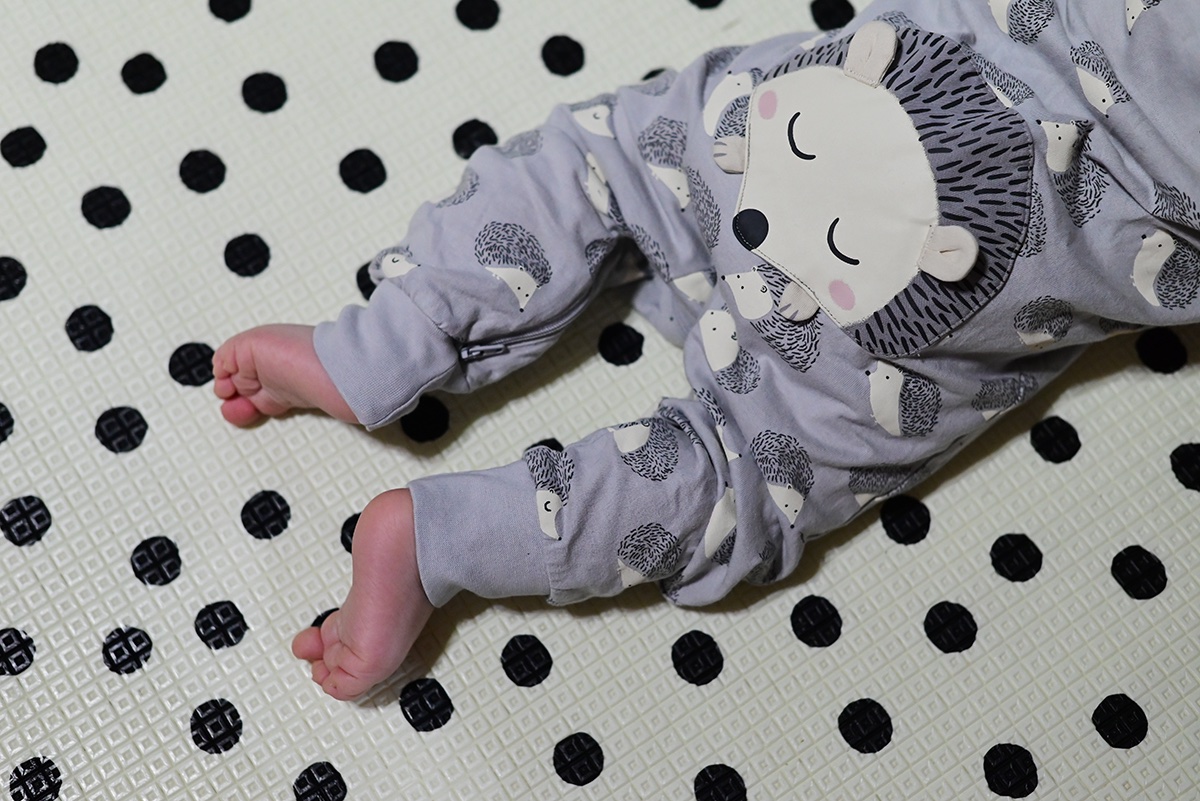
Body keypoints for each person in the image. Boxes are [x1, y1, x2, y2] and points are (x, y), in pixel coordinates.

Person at [212, 0, 1200, 700]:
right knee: (747, 474)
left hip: (834, 92)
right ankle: (451, 538)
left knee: (599, 160)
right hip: (952, 294)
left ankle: (380, 343)